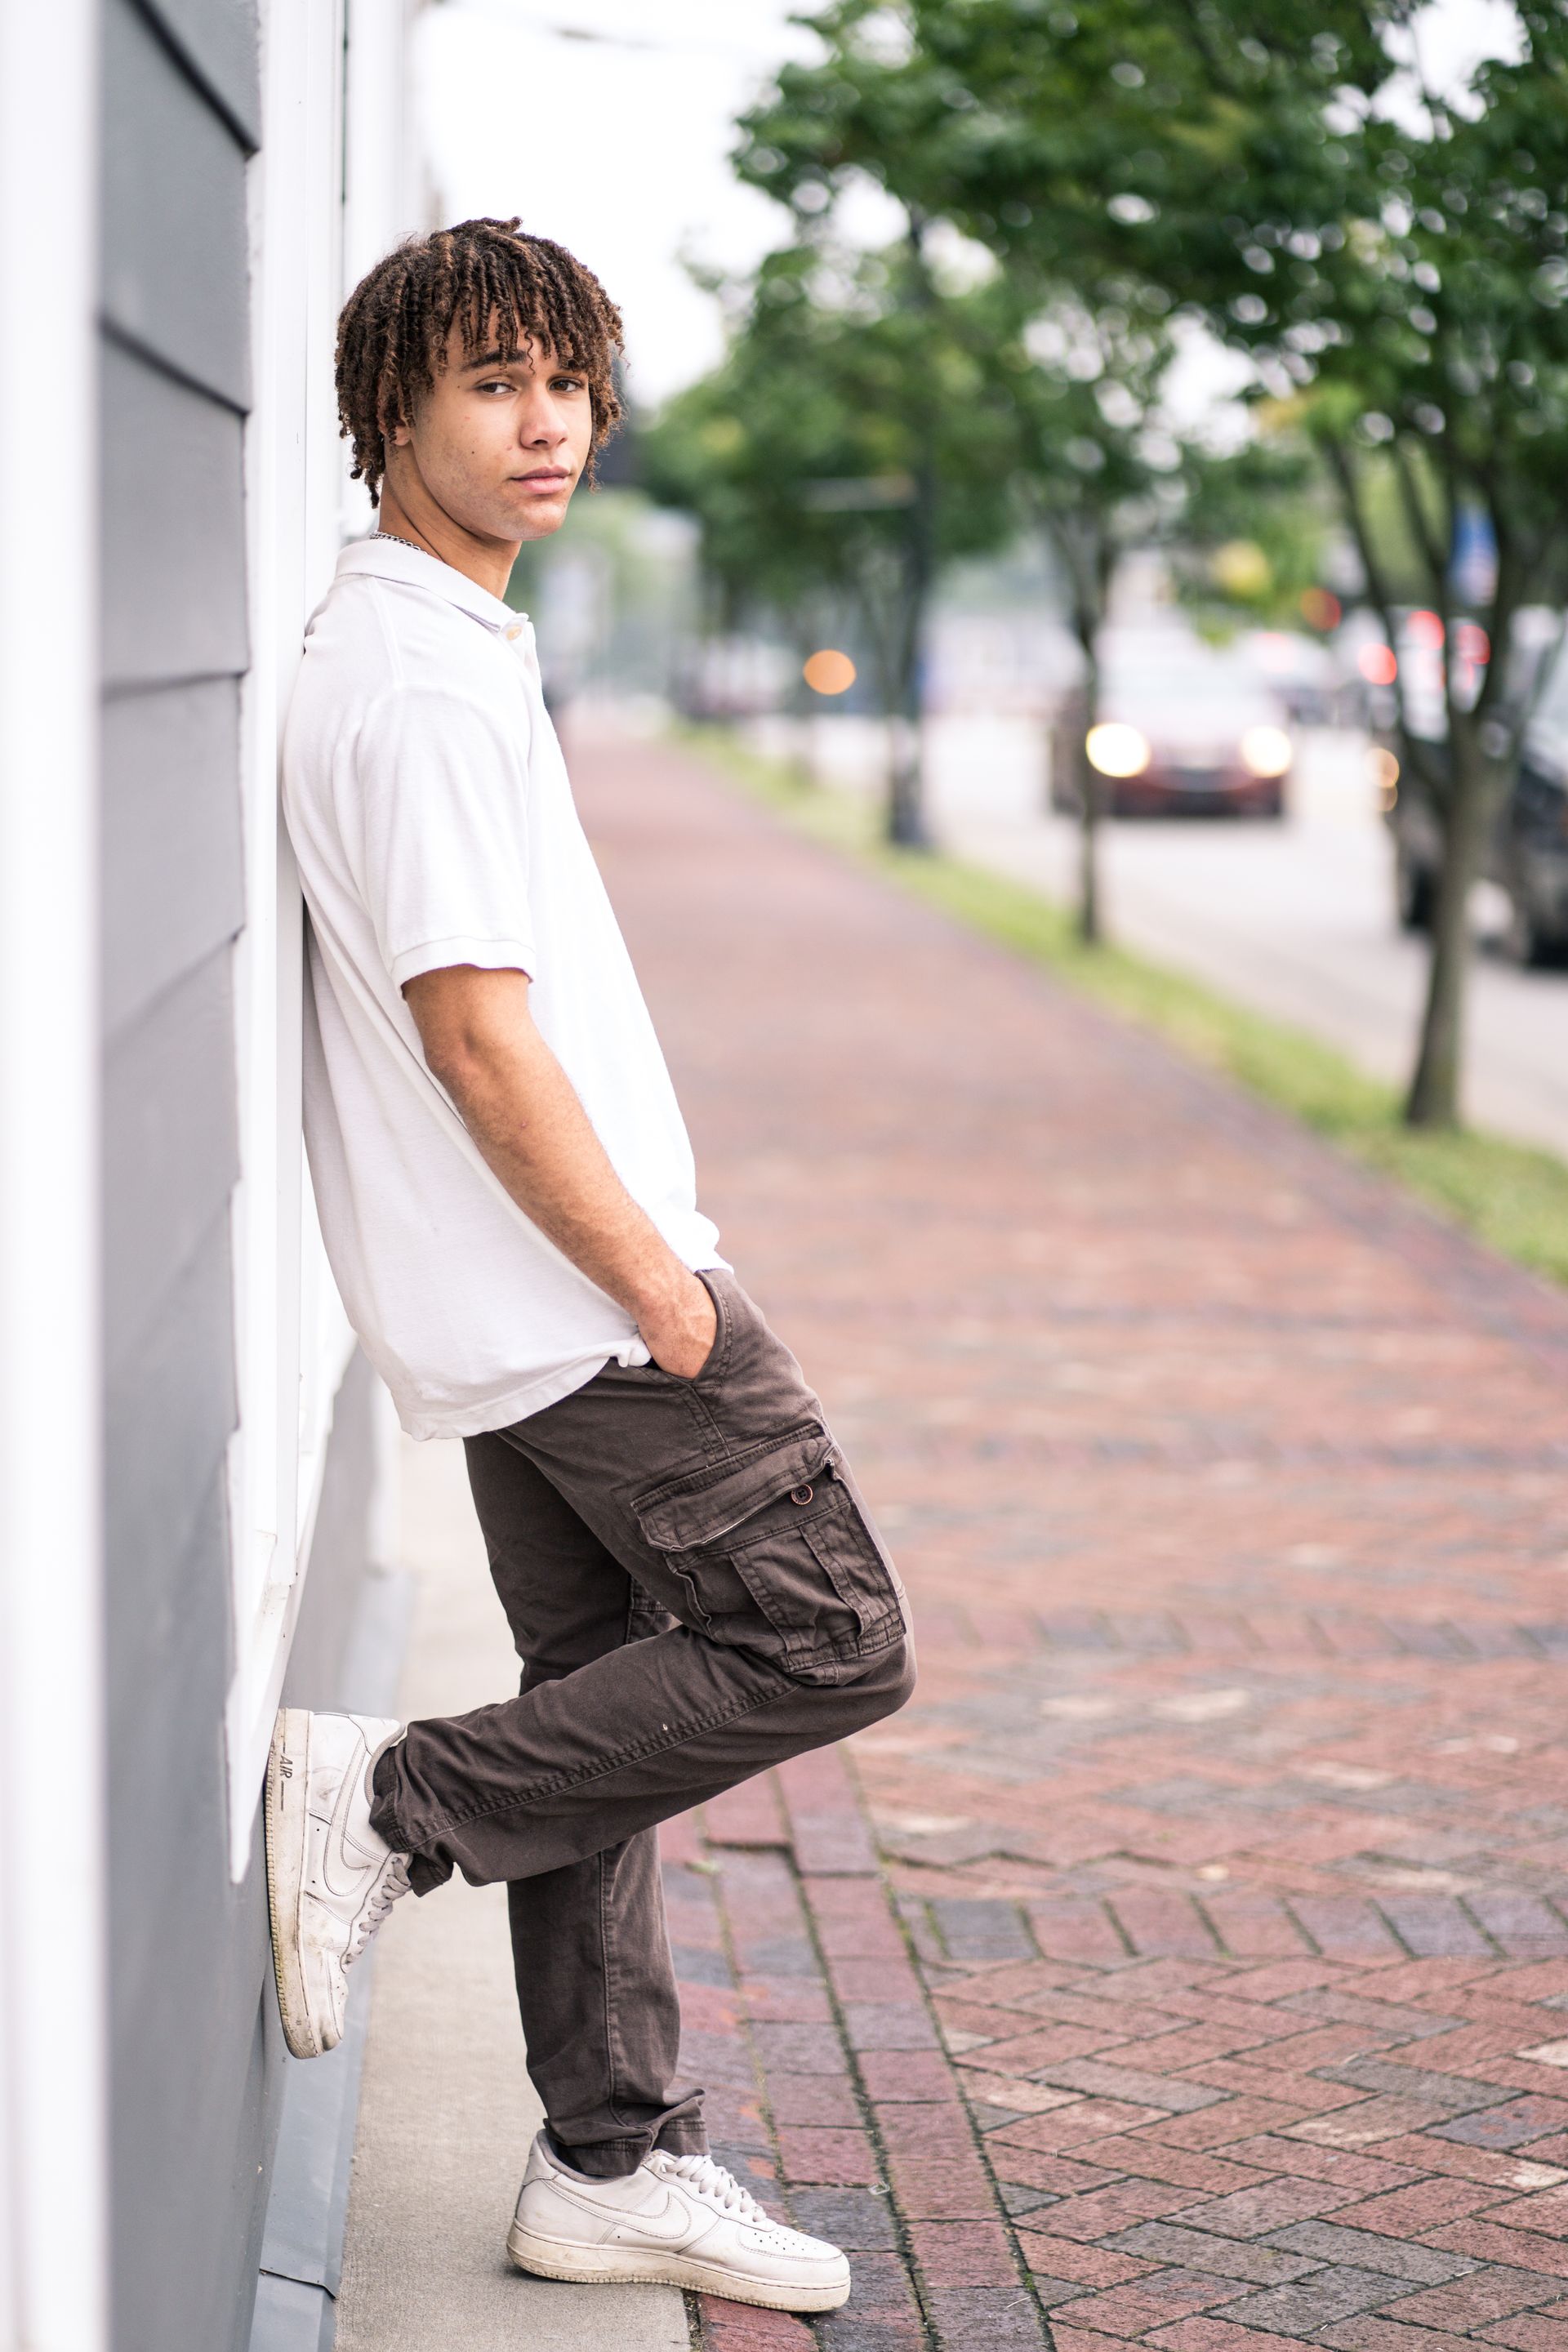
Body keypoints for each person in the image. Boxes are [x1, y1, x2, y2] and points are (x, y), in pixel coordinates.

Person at [267, 216, 914, 2315]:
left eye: (567, 383)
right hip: (588, 1310)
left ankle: (606, 2156)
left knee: (610, 1709)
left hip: (510, 1315)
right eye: (491, 385)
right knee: (828, 1641)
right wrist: (662, 1284)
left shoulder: (433, 646)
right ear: (391, 412)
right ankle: (394, 1799)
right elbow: (475, 1031)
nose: (546, 424)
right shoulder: (419, 691)